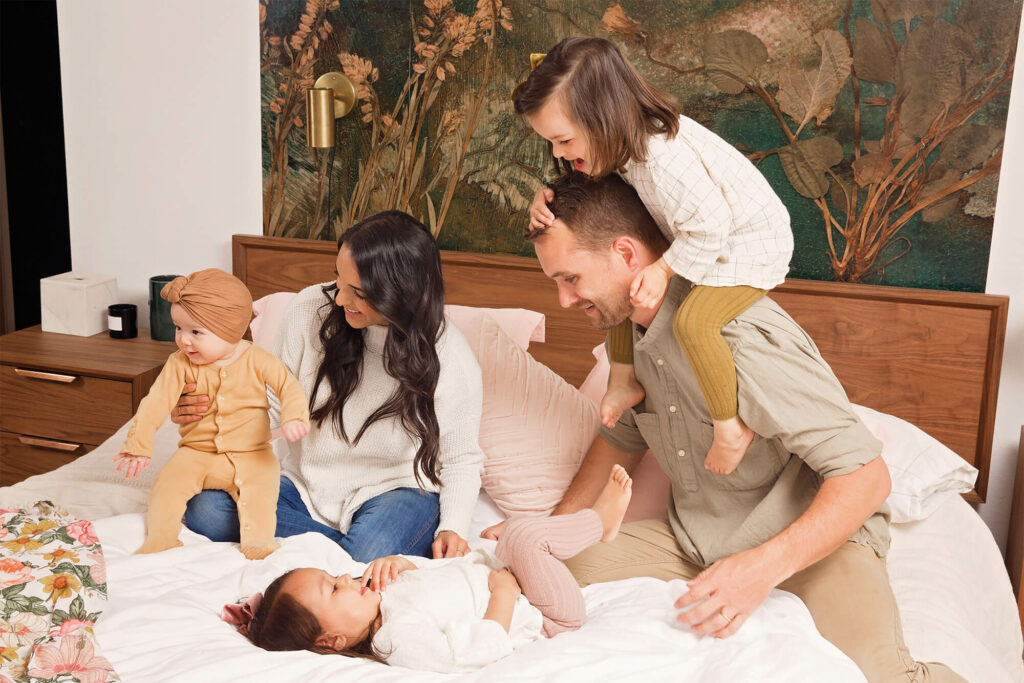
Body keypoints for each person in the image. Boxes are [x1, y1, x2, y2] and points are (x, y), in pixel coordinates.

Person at [525, 173, 965, 682]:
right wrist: (550, 533)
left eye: (569, 279)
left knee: (886, 678)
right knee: (529, 576)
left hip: (810, 546)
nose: (561, 301)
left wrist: (758, 571)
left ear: (626, 254)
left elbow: (868, 477)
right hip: (695, 541)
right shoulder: (629, 334)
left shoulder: (742, 339)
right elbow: (620, 440)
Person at [515, 37, 793, 475]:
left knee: (693, 322)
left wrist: (664, 269)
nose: (558, 153)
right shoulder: (622, 148)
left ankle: (730, 427)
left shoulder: (663, 157)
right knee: (626, 292)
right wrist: (543, 195)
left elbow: (710, 228)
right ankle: (624, 379)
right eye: (551, 142)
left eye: (563, 140)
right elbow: (591, 197)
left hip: (744, 247)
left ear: (602, 118)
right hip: (705, 236)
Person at [179, 212, 484, 562]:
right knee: (207, 508)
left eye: (358, 293)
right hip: (305, 488)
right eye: (338, 279)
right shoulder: (310, 309)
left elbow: (461, 459)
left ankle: (344, 549)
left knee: (371, 548)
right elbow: (272, 403)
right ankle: (345, 553)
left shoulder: (448, 354)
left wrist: (454, 527)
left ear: (399, 293)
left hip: (397, 490)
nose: (339, 300)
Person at [223, 467, 634, 673]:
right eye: (334, 589)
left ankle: (553, 533)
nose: (347, 578)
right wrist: (504, 594)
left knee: (510, 535)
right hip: (547, 617)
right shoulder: (398, 640)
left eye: (335, 577)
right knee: (525, 536)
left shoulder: (383, 594)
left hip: (509, 577)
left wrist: (405, 563)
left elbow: (444, 580)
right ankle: (600, 523)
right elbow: (475, 651)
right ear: (333, 640)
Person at [114, 268, 310, 559]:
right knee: (166, 487)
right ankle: (161, 540)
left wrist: (294, 417)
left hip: (252, 453)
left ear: (229, 329)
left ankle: (257, 545)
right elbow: (155, 402)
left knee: (260, 496)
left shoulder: (258, 359)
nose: (184, 340)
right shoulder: (179, 363)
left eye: (196, 332)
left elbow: (288, 387)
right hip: (197, 451)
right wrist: (138, 445)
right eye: (178, 328)